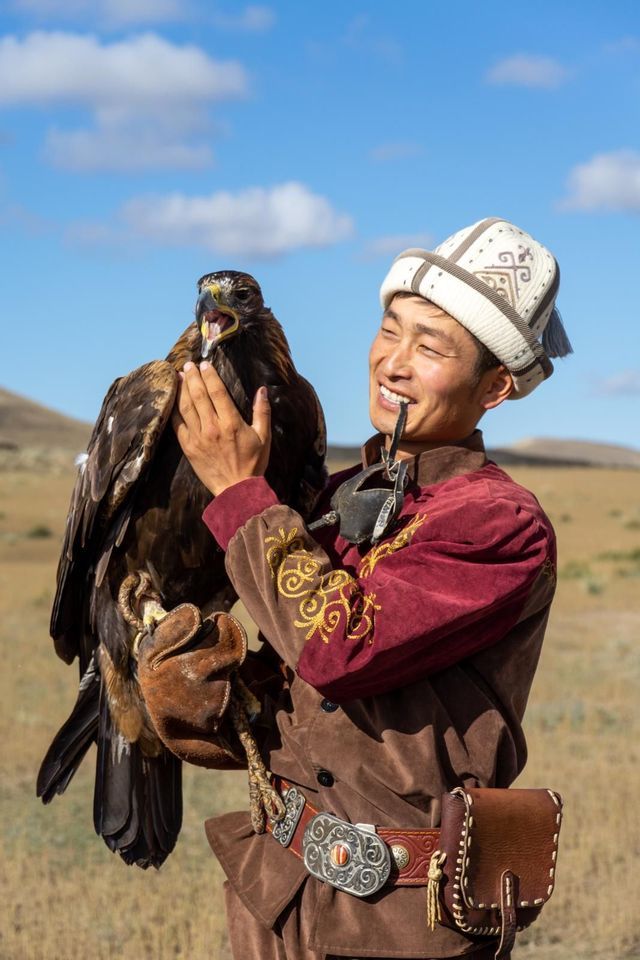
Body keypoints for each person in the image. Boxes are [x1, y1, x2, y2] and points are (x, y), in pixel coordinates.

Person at [142, 217, 571, 960]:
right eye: (389, 330)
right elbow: (303, 690)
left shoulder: (499, 525)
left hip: (402, 924)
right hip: (276, 896)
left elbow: (340, 647)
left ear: (496, 385)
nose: (393, 363)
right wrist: (207, 692)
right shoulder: (334, 495)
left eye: (431, 347)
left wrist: (242, 491)